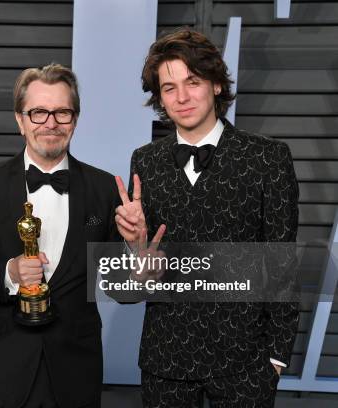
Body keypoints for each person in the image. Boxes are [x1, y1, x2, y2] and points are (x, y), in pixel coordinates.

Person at [115, 28, 299, 407]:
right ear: (159, 99)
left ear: (216, 85)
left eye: (192, 82)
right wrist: (134, 256)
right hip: (165, 360)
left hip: (245, 364)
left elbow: (283, 264)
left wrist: (276, 359)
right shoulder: (144, 161)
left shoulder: (267, 157)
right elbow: (133, 284)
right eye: (169, 88)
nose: (181, 97)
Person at [0, 63, 126, 408]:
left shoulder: (104, 187)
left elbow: (119, 287)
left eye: (61, 112)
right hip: (0, 369)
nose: (50, 123)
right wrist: (8, 273)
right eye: (38, 112)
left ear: (75, 119)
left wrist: (136, 246)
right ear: (20, 119)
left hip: (75, 373)